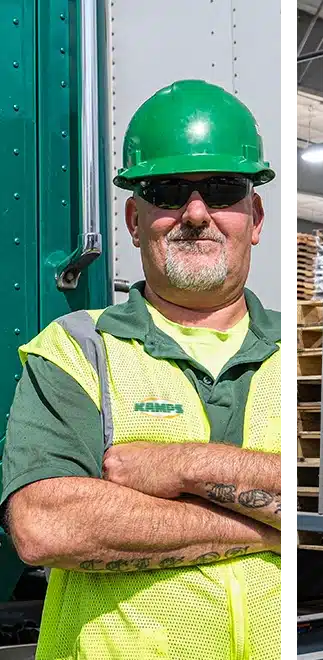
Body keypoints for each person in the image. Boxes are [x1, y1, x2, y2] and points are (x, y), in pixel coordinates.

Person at [0, 80, 283, 659]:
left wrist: (180, 465)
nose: (196, 213)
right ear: (134, 219)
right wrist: (267, 527)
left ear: (254, 216)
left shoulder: (311, 351)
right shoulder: (78, 349)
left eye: (223, 189)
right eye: (168, 191)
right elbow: (47, 525)